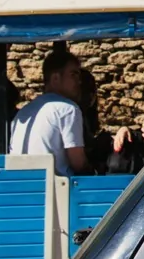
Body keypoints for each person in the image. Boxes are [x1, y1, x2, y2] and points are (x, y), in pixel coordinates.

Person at [11, 45, 92, 174]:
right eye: (73, 75)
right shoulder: (67, 109)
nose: (79, 82)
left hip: (24, 186)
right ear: (55, 78)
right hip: (58, 190)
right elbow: (78, 163)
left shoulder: (23, 112)